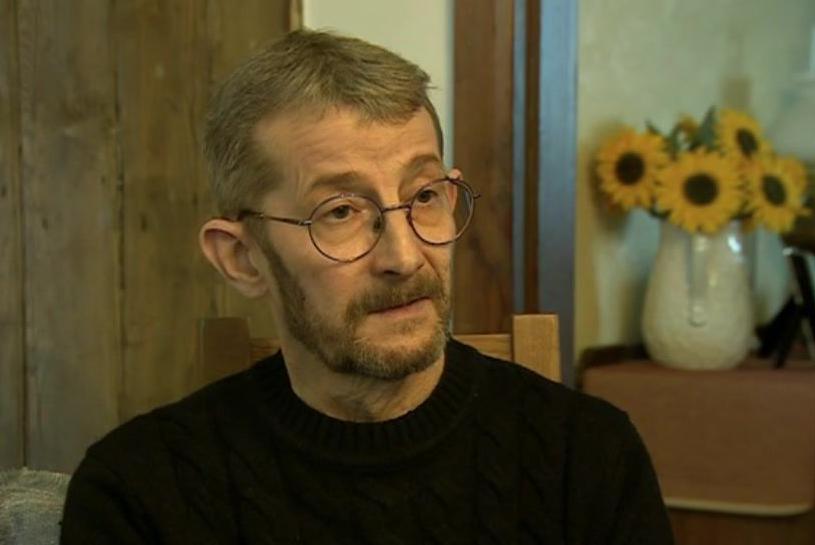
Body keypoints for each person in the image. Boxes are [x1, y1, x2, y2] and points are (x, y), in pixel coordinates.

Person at [60, 29, 673, 544]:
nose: (405, 257)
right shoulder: (137, 493)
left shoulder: (587, 456)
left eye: (425, 196)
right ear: (243, 259)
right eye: (341, 212)